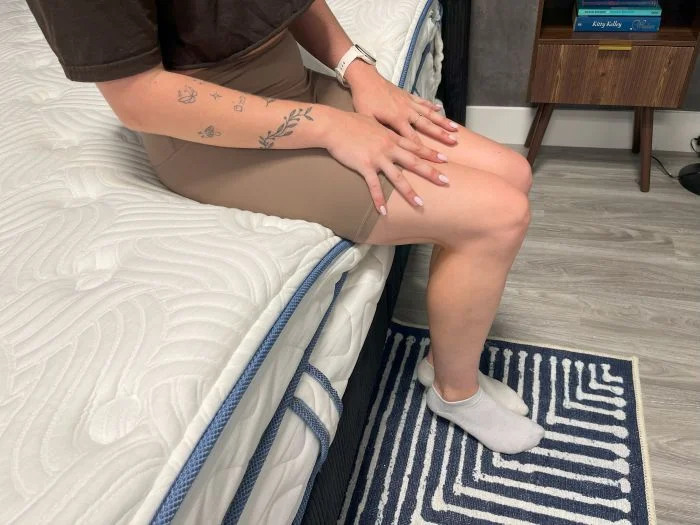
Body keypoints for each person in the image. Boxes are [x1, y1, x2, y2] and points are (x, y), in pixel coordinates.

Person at [27, 0, 544, 454]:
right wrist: (329, 125)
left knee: (513, 173)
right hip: (209, 135)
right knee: (498, 217)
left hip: (291, 81)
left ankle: (441, 360)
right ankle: (455, 392)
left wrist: (358, 69)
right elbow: (138, 98)